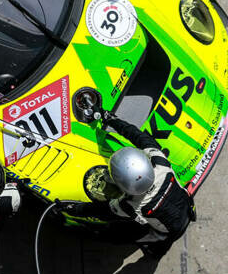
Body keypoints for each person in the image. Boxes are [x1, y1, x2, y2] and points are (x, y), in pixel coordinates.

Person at [56, 110, 196, 258]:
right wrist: (112, 119)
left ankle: (155, 250)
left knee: (117, 236)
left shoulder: (129, 206)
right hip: (188, 207)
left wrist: (71, 208)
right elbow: (139, 137)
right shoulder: (161, 163)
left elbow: (100, 211)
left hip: (168, 232)